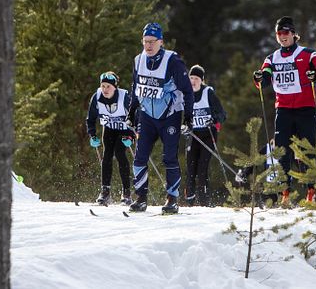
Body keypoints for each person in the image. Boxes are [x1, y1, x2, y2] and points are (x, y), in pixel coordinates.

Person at [252, 16, 316, 204]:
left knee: (306, 151)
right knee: (283, 151)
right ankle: (285, 193)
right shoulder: (272, 58)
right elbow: (265, 78)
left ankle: (311, 192)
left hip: (306, 109)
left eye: (286, 33)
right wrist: (260, 78)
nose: (282, 37)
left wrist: (314, 75)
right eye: (279, 33)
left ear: (294, 34)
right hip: (283, 110)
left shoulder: (309, 54)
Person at [128, 22, 194, 214]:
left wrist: (188, 117)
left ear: (161, 42)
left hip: (170, 117)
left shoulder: (172, 61)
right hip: (147, 116)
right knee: (140, 157)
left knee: (169, 158)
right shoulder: (138, 60)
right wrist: (131, 113)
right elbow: (135, 87)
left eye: (152, 42)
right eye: (145, 41)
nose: (148, 46)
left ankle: (172, 199)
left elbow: (187, 90)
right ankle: (140, 198)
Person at [85, 71, 133, 206]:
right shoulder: (97, 97)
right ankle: (105, 192)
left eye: (108, 87)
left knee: (119, 153)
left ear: (115, 87)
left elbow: (136, 116)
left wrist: (131, 135)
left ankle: (126, 193)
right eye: (103, 86)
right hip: (109, 129)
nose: (105, 89)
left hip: (124, 130)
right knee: (107, 156)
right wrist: (92, 135)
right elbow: (91, 118)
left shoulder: (124, 97)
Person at [184, 65, 227, 207]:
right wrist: (183, 125)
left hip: (208, 135)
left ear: (201, 80)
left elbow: (222, 114)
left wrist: (214, 120)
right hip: (193, 135)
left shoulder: (208, 93)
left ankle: (204, 201)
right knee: (191, 168)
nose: (193, 81)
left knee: (202, 168)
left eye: (196, 78)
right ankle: (190, 200)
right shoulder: (185, 94)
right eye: (191, 78)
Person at [234, 139, 283, 207]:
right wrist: (244, 173)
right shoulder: (269, 148)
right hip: (269, 191)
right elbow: (255, 161)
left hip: (284, 190)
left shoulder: (289, 147)